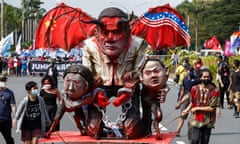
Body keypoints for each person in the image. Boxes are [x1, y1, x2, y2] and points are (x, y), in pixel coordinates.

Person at [82, 7, 148, 138]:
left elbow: (140, 70)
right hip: (99, 87)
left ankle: (146, 125)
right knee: (93, 129)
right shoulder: (89, 46)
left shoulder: (138, 44)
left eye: (117, 32)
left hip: (128, 87)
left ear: (128, 32)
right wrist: (94, 90)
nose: (110, 39)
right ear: (96, 32)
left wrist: (130, 86)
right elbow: (86, 72)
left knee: (132, 130)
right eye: (104, 33)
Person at [180, 68, 220, 144]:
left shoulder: (215, 91)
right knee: (195, 140)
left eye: (208, 77)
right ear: (200, 77)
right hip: (196, 118)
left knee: (205, 141)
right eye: (204, 77)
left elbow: (211, 108)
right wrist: (186, 110)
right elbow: (192, 102)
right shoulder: (194, 89)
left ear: (210, 78)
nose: (206, 78)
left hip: (208, 120)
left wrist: (197, 108)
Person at [138, 56, 169, 139]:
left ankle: (157, 129)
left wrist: (165, 91)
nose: (153, 76)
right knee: (146, 117)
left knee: (158, 115)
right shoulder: (141, 80)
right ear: (141, 75)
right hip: (145, 98)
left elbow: (166, 87)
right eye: (148, 73)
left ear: (165, 71)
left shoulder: (162, 83)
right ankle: (147, 131)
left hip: (154, 101)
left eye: (157, 71)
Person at [175, 66, 197, 137]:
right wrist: (180, 99)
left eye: (191, 71)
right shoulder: (185, 79)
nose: (189, 72)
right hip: (185, 98)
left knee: (193, 118)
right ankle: (178, 130)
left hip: (194, 100)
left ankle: (191, 133)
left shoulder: (196, 80)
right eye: (188, 71)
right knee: (182, 115)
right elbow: (182, 90)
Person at [0, 73, 16, 144]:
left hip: (6, 120)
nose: (2, 82)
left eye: (3, 80)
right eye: (0, 80)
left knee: (8, 138)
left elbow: (12, 105)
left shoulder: (10, 92)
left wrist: (14, 118)